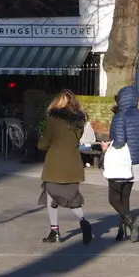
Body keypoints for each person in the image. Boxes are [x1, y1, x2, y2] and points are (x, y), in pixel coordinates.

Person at [37, 90, 94, 245]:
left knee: (53, 197)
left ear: (58, 102)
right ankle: (80, 222)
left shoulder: (53, 119)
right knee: (72, 198)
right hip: (74, 165)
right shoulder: (79, 122)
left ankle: (56, 231)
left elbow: (44, 143)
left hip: (55, 166)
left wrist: (40, 141)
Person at [102, 85, 139, 241]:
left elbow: (120, 141)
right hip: (136, 162)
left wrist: (107, 146)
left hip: (121, 162)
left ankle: (130, 222)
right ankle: (122, 231)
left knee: (113, 198)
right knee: (125, 197)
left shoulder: (120, 116)